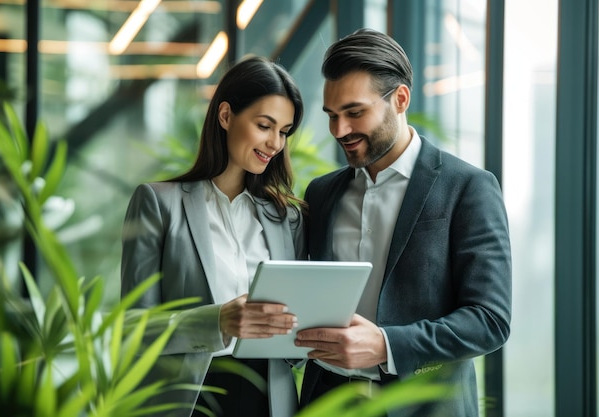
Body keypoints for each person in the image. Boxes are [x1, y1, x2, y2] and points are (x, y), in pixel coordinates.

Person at [295, 28, 512, 417]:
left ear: (400, 98)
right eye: (331, 116)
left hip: (424, 407)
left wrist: (386, 345)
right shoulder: (321, 194)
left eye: (354, 112)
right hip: (325, 402)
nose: (339, 131)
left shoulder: (469, 188)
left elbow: (489, 319)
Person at [121, 56, 306, 417]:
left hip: (268, 400)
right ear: (225, 116)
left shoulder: (288, 217)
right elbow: (131, 328)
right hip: (190, 399)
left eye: (283, 132)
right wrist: (217, 320)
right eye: (264, 125)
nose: (275, 143)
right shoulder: (158, 204)